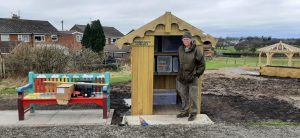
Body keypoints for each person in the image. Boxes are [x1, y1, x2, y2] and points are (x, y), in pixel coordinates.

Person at [176, 31, 205, 121]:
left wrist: (196, 74)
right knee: (183, 95)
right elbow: (180, 62)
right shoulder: (180, 48)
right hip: (182, 77)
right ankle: (185, 111)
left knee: (193, 96)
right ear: (182, 40)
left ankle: (193, 113)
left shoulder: (196, 50)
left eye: (187, 39)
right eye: (184, 39)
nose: (185, 41)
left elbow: (202, 64)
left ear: (191, 40)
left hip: (192, 77)